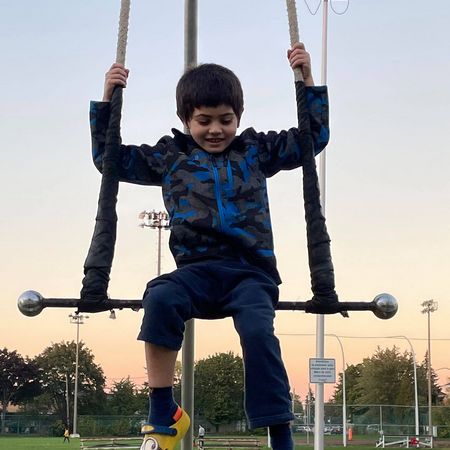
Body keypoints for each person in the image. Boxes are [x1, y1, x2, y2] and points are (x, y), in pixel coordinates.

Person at [90, 42, 328, 450]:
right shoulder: (171, 158)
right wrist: (108, 101)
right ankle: (163, 410)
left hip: (249, 272)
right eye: (204, 121)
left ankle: (279, 430)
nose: (216, 129)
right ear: (185, 119)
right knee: (160, 297)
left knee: (258, 332)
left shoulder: (254, 151)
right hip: (195, 272)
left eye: (226, 119)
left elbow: (313, 138)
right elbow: (109, 159)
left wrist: (307, 80)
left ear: (239, 118)